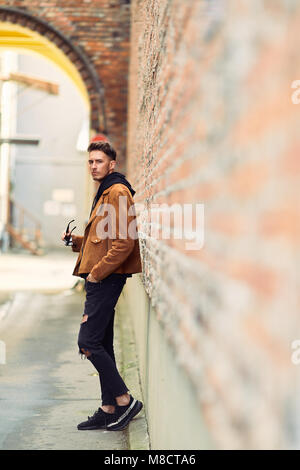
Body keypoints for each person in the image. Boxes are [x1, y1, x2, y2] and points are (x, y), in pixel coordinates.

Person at [61, 139, 143, 431]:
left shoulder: (118, 192)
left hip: (106, 279)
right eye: (90, 161)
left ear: (112, 164)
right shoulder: (106, 190)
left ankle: (124, 400)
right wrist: (77, 242)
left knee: (88, 342)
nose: (93, 166)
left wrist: (96, 273)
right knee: (102, 342)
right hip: (101, 278)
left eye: (99, 162)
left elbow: (124, 242)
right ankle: (108, 407)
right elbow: (105, 238)